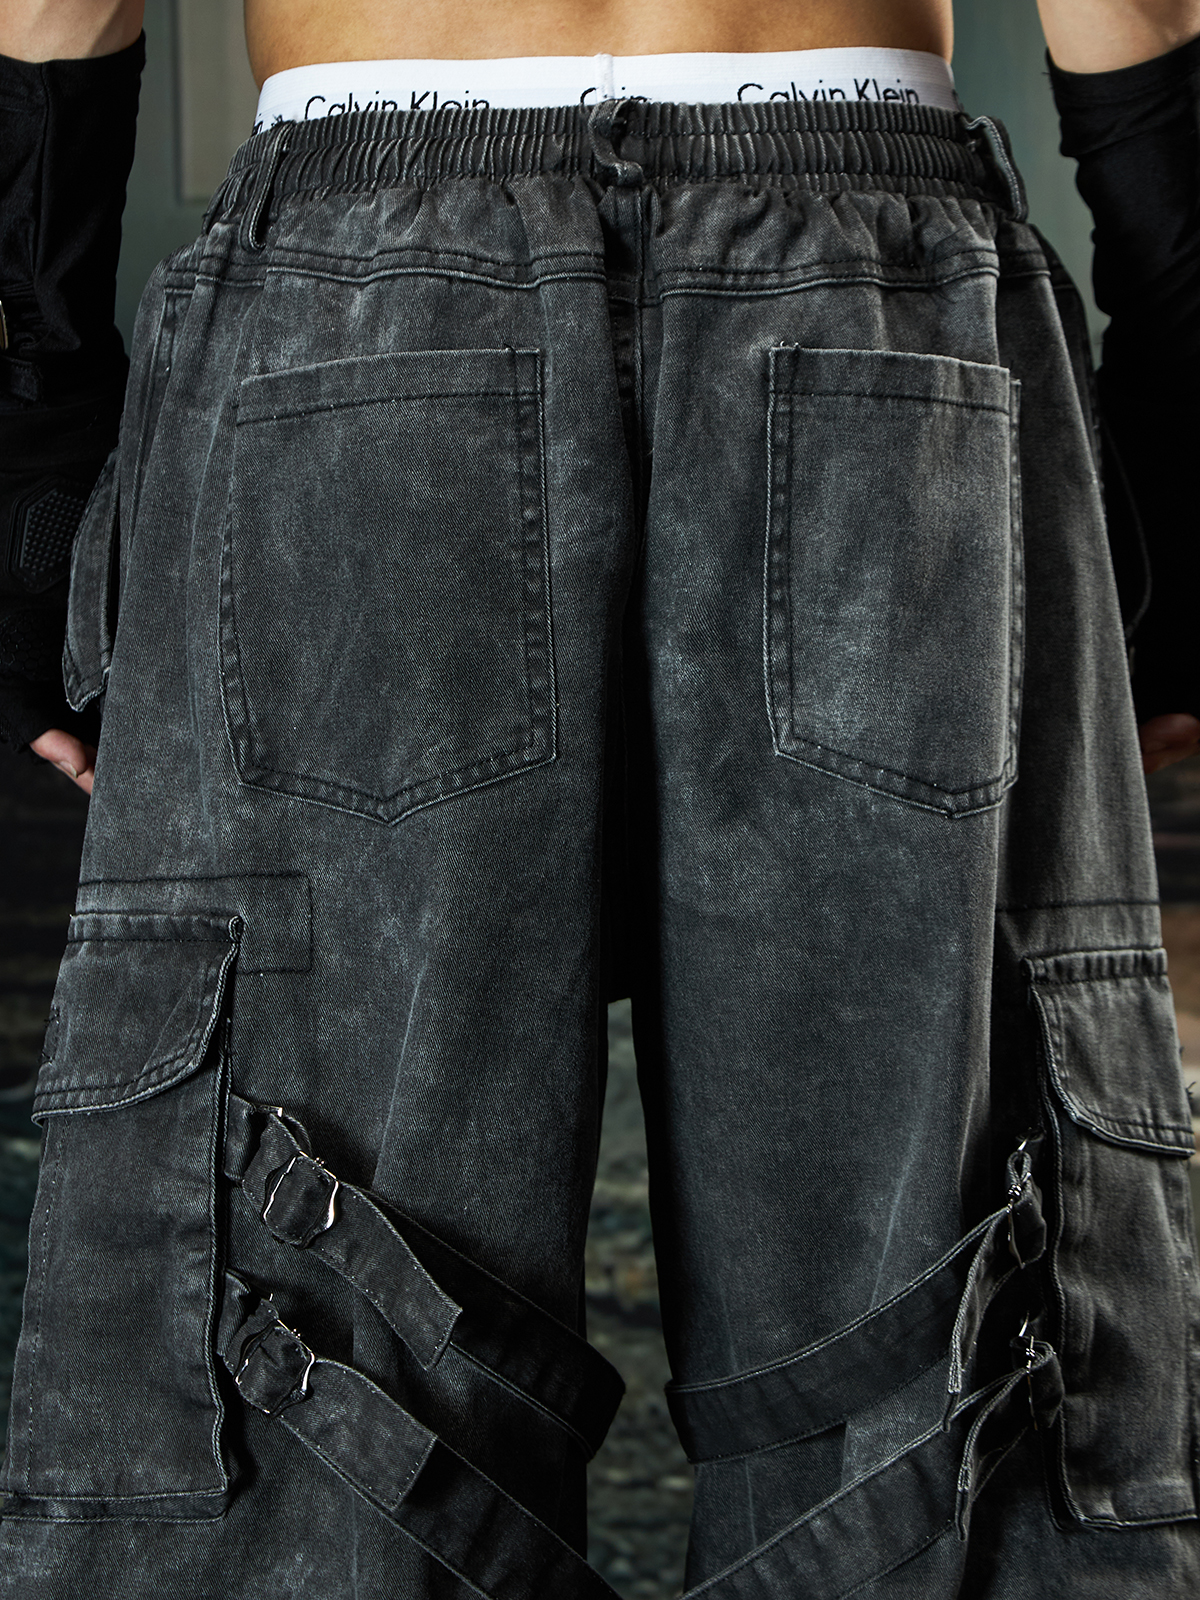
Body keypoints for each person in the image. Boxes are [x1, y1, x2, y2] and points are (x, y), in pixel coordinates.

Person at [1, 2, 1199, 1595]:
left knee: (308, 1331)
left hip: (365, 287)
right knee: (959, 1360)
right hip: (878, 284)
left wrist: (31, 432)